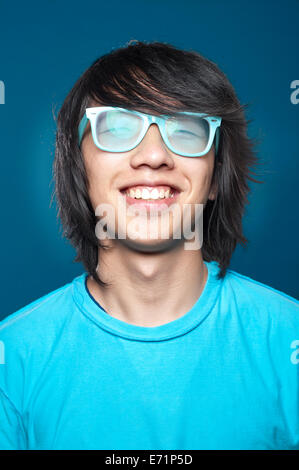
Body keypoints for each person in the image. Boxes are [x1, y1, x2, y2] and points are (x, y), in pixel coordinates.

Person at [0, 40, 298, 451]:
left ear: (214, 177)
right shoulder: (11, 357)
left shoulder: (288, 341)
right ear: (79, 168)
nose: (154, 155)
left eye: (187, 129)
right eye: (118, 127)